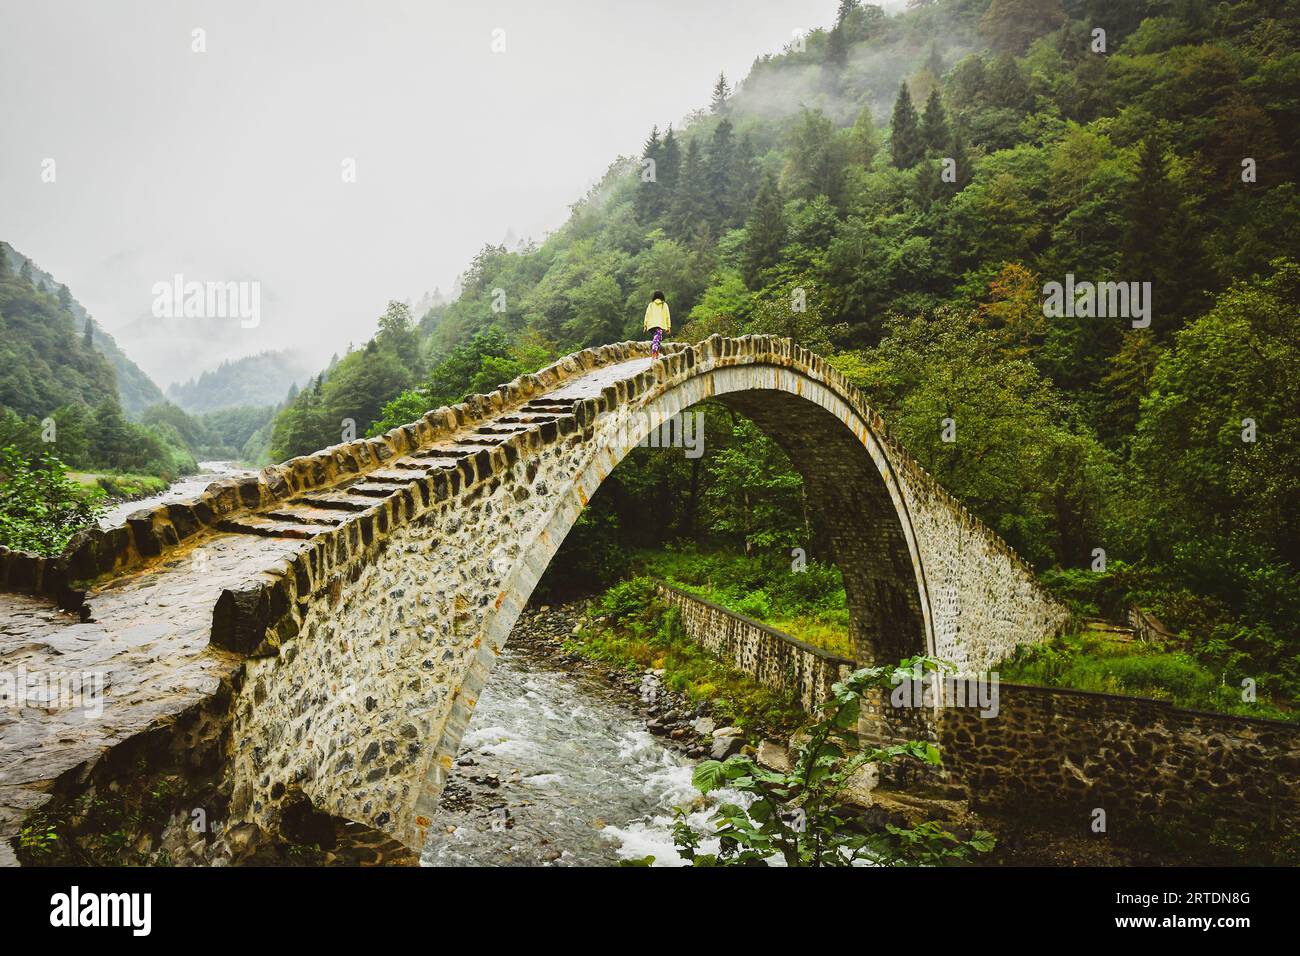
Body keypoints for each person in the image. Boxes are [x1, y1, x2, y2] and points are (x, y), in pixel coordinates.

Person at [643, 290, 671, 359]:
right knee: (657, 339)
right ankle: (654, 355)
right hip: (659, 325)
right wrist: (668, 326)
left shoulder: (651, 304)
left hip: (651, 325)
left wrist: (645, 326)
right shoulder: (664, 305)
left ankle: (657, 354)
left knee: (658, 338)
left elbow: (647, 315)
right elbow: (668, 316)